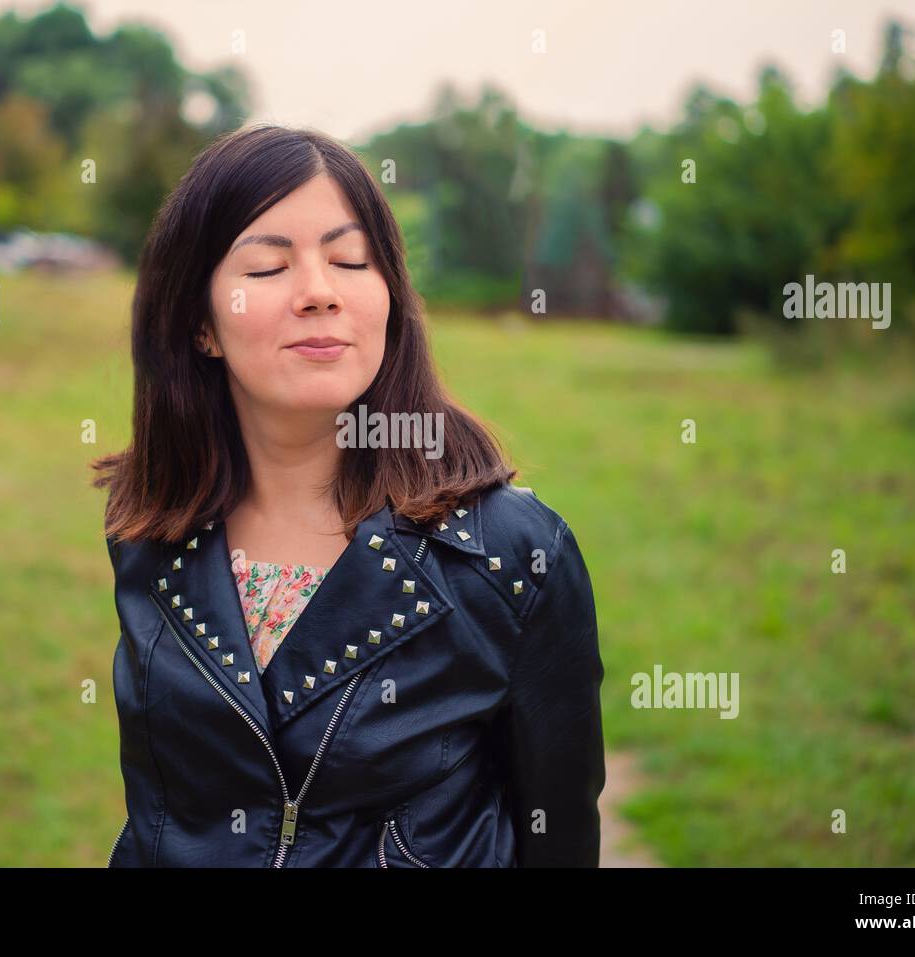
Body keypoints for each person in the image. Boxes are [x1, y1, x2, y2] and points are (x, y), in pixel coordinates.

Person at [92, 123, 605, 867]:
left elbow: (558, 841)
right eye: (268, 268)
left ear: (389, 295)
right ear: (199, 323)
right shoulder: (151, 528)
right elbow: (156, 821)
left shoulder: (512, 555)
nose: (319, 293)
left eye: (350, 259)